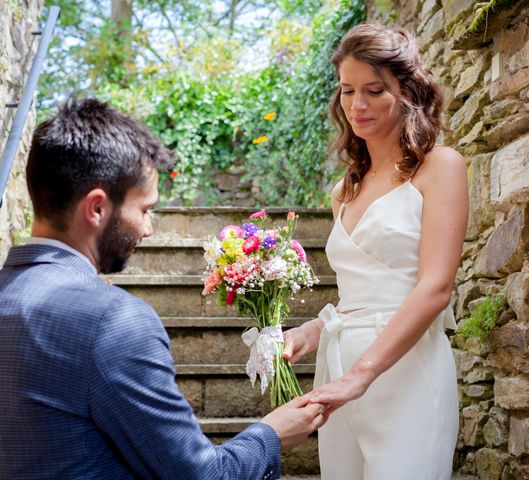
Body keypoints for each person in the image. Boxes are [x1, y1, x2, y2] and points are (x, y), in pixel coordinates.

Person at [0, 98, 325, 479]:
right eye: (144, 209)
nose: (149, 228)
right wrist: (270, 434)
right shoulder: (112, 320)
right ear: (97, 208)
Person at [283, 23, 468, 479]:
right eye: (347, 91)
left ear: (406, 92)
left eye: (374, 90)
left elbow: (435, 288)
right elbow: (358, 294)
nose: (357, 105)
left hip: (404, 368)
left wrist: (361, 374)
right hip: (338, 366)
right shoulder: (343, 190)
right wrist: (313, 330)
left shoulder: (440, 166)